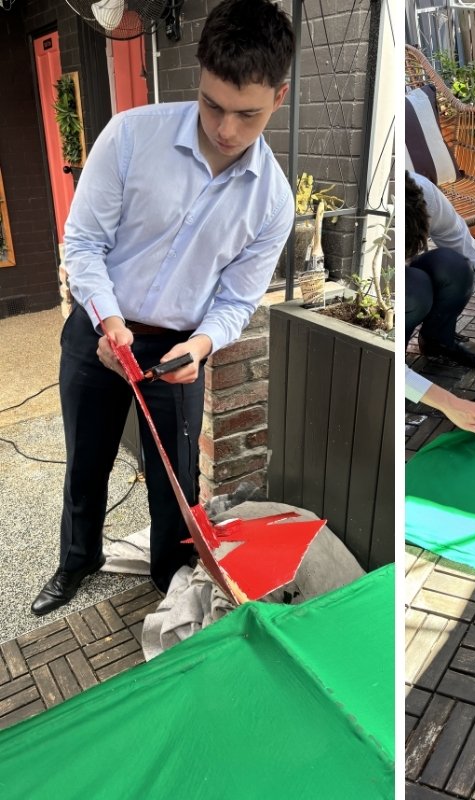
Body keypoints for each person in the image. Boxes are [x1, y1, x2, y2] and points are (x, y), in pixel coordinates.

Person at [31, 0, 295, 616]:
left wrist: (201, 348)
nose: (226, 130)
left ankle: (170, 578)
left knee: (177, 485)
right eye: (212, 105)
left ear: (278, 98)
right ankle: (78, 561)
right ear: (198, 77)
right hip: (99, 330)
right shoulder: (131, 135)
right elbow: (84, 242)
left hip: (179, 348)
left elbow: (235, 301)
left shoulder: (274, 201)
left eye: (247, 114)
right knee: (86, 461)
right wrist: (108, 319)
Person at [405, 171, 475, 436]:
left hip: (409, 275)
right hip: (399, 290)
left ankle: (438, 341)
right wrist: (451, 405)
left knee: (457, 266)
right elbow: (382, 358)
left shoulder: (424, 194)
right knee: (413, 290)